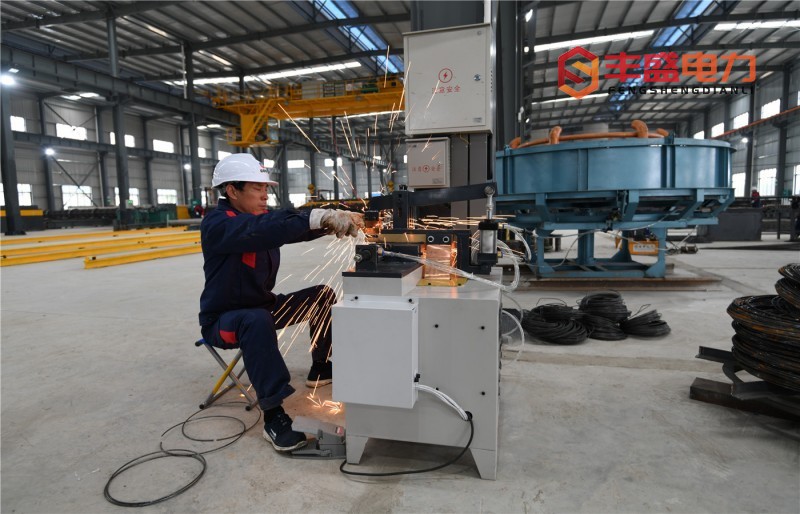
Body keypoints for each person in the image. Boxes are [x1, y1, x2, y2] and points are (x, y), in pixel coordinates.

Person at [198, 153, 364, 452]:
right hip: (225, 321)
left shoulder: (257, 221)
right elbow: (264, 228)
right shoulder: (218, 224)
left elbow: (284, 228)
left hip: (263, 307)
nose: (265, 195)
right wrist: (315, 217)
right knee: (256, 320)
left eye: (266, 188)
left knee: (321, 295)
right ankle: (274, 415)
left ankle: (321, 367)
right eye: (256, 188)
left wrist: (333, 221)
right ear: (232, 190)